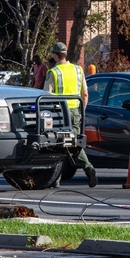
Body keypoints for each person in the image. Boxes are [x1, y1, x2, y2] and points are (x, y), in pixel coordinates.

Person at [44, 41, 97, 188]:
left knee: (59, 144)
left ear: (55, 55)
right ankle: (85, 169)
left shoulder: (53, 72)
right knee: (74, 142)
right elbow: (85, 93)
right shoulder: (78, 70)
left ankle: (57, 178)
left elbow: (46, 96)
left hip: (60, 113)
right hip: (75, 112)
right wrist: (81, 112)